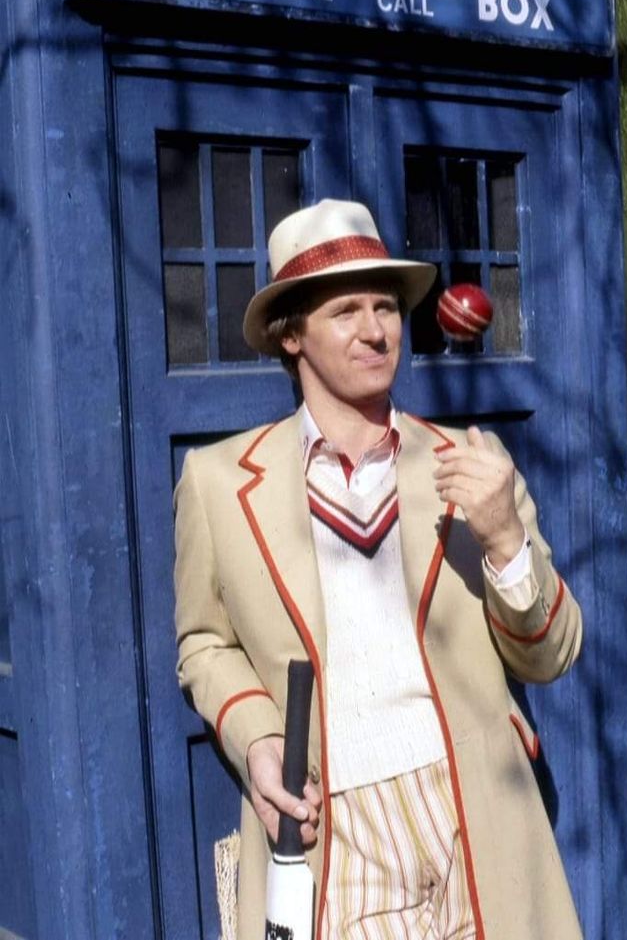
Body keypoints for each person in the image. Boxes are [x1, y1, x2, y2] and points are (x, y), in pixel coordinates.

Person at [174, 198, 584, 940]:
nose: (376, 329)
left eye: (386, 306)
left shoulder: (471, 463)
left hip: (475, 812)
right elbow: (203, 644)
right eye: (347, 310)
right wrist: (260, 737)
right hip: (336, 829)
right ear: (291, 333)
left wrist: (504, 540)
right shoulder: (218, 481)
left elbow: (551, 654)